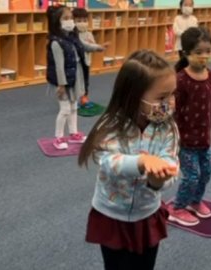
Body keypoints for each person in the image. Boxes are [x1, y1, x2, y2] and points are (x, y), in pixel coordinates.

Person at [79, 50, 179, 270]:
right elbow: (107, 161)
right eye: (162, 97)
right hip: (112, 214)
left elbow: (170, 162)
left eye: (172, 94)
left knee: (144, 265)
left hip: (147, 213)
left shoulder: (168, 128)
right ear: (134, 95)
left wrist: (157, 180)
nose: (169, 103)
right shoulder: (112, 124)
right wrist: (140, 162)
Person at [169, 27, 211, 226]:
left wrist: (210, 130)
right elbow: (173, 111)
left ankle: (194, 202)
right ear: (186, 53)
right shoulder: (180, 80)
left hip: (203, 137)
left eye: (208, 51)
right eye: (198, 52)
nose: (204, 56)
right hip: (185, 138)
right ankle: (177, 207)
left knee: (206, 172)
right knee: (191, 176)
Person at [46, 5, 89, 149]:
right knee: (64, 109)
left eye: (71, 18)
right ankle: (58, 137)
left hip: (73, 78)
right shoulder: (55, 42)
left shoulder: (72, 37)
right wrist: (61, 85)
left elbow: (81, 52)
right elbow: (58, 66)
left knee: (73, 108)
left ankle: (73, 133)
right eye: (65, 18)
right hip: (63, 81)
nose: (70, 21)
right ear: (57, 22)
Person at [72, 7, 107, 103]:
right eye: (79, 21)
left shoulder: (89, 34)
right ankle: (74, 98)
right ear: (73, 21)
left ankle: (84, 96)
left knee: (85, 80)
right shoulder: (72, 34)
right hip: (76, 62)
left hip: (86, 61)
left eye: (85, 20)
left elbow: (92, 46)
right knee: (75, 80)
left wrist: (97, 45)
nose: (82, 23)